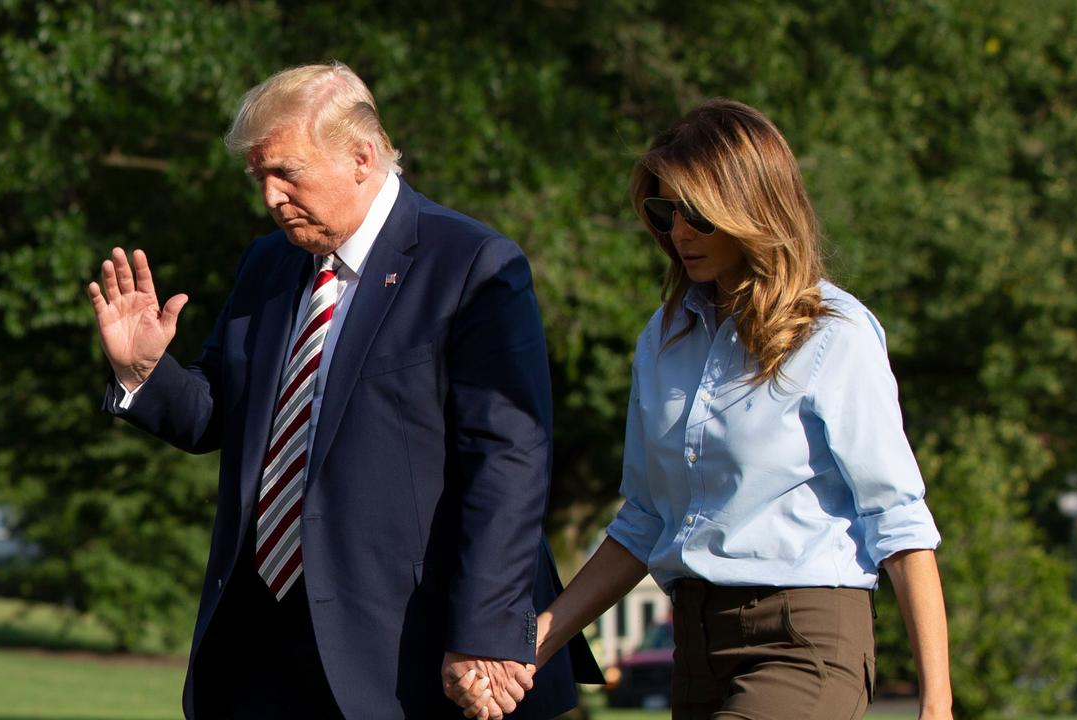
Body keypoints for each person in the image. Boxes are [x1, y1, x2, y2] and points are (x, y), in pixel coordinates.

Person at [87, 62, 600, 719]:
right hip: (264, 645)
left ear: (361, 156)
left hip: (406, 655)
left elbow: (508, 463)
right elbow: (219, 416)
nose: (271, 197)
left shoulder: (472, 264)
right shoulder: (268, 264)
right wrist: (143, 373)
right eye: (258, 178)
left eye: (287, 173)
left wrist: (486, 632)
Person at [460, 99, 953, 719]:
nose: (678, 233)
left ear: (752, 209)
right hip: (694, 645)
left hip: (805, 640)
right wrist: (526, 647)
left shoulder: (836, 335)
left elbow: (900, 521)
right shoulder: (663, 339)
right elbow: (643, 522)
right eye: (664, 212)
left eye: (696, 214)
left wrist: (938, 702)